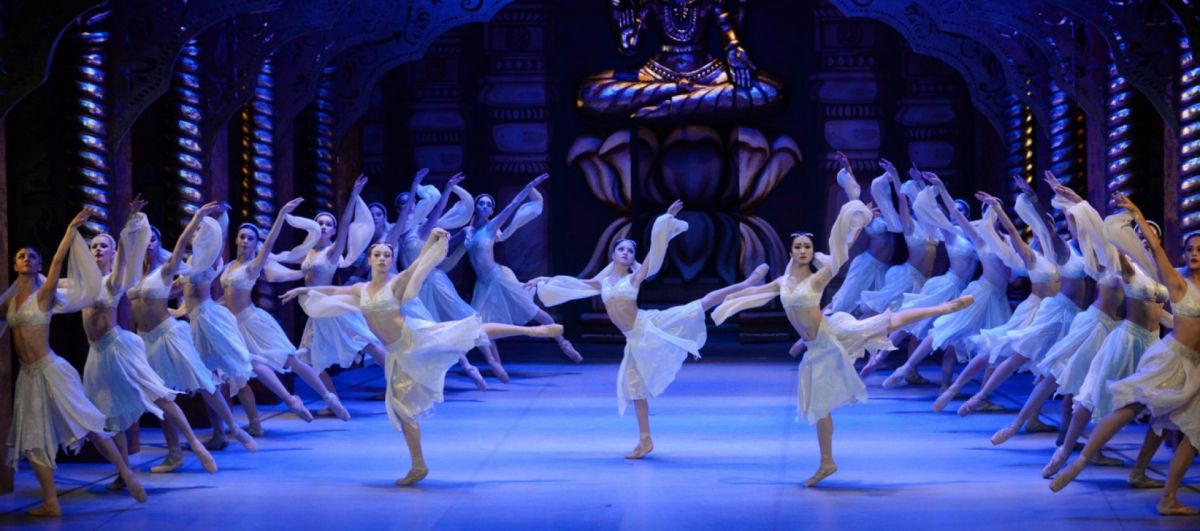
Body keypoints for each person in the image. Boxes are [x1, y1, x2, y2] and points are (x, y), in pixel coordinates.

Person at [711, 197, 973, 487]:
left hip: (830, 337)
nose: (803, 251)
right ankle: (827, 462)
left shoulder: (817, 278)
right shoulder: (783, 282)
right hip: (817, 347)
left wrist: (856, 225)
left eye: (807, 247)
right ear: (791, 250)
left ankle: (941, 308)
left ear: (812, 251)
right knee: (821, 407)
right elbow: (756, 294)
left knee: (886, 322)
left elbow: (841, 250)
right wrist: (728, 300)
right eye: (798, 246)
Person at [283, 229, 564, 485]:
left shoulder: (396, 284)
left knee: (470, 330)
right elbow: (334, 290)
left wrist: (430, 240)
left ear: (391, 260)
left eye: (387, 255)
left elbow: (418, 265)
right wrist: (304, 289)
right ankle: (418, 466)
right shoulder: (360, 289)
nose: (382, 259)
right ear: (369, 260)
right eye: (377, 255)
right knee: (401, 409)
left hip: (416, 338)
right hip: (398, 354)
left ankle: (533, 331)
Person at [529, 200, 769, 459]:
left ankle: (747, 283)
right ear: (613, 255)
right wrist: (543, 279)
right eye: (621, 249)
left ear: (633, 258)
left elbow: (655, 252)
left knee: (699, 305)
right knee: (635, 388)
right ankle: (645, 441)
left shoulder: (634, 277)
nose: (625, 253)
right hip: (633, 338)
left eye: (630, 251)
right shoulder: (603, 282)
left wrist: (666, 219)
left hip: (649, 324)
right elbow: (574, 284)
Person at [1050, 193, 1200, 516]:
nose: (1193, 254)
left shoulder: (1178, 281)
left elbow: (1170, 316)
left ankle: (1159, 487)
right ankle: (1076, 457)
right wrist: (1130, 213)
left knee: (1183, 426)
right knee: (1122, 403)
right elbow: (1145, 249)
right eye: (1190, 249)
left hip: (1180, 357)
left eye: (1199, 250)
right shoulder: (1169, 277)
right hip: (1154, 350)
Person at [0, 207, 146, 516]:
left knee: (88, 423)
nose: (26, 259)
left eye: (32, 256)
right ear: (14, 264)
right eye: (21, 256)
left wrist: (71, 229)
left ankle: (127, 473)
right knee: (33, 437)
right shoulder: (9, 302)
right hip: (28, 376)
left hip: (52, 370)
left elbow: (57, 261)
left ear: (38, 265)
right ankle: (51, 502)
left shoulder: (45, 294)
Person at [80, 197, 218, 488]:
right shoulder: (83, 285)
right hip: (98, 354)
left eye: (103, 246)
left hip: (120, 347)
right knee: (111, 411)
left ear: (112, 253)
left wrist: (132, 222)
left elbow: (150, 249)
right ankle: (124, 473)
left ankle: (195, 443)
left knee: (158, 393)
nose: (98, 250)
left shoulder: (114, 280)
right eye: (94, 246)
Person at [130, 202, 257, 469]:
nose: (148, 244)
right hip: (145, 340)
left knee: (202, 380)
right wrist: (133, 220)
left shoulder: (167, 268)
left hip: (169, 335)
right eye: (144, 239)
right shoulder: (133, 275)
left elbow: (183, 243)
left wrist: (199, 217)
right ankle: (174, 454)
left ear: (158, 244)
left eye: (152, 239)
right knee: (161, 396)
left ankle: (233, 427)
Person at [220, 198, 350, 423]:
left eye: (250, 238)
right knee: (241, 374)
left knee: (292, 361)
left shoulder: (254, 265)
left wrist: (281, 215)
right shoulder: (228, 266)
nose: (246, 241)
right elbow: (227, 296)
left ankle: (330, 398)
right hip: (233, 326)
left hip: (253, 322)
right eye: (242, 237)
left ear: (255, 243)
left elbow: (269, 242)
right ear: (236, 239)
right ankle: (259, 422)